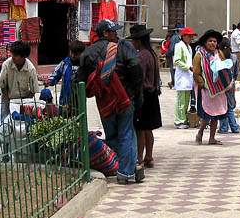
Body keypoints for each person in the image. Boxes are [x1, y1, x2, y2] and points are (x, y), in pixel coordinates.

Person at [77, 19, 144, 185]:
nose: (116, 34)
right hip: (124, 98)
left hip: (104, 102)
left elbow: (80, 80)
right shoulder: (123, 47)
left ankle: (122, 166)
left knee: (112, 135)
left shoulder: (88, 52)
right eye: (113, 31)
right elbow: (136, 68)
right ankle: (127, 171)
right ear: (105, 33)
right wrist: (134, 92)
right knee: (127, 133)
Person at [128, 24, 162, 168]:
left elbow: (138, 77)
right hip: (152, 93)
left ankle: (139, 158)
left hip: (144, 95)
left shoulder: (141, 56)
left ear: (139, 40)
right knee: (148, 129)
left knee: (140, 128)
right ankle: (149, 156)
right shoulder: (152, 54)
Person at [193, 29, 231, 145]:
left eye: (214, 41)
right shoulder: (199, 55)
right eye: (210, 41)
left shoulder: (218, 53)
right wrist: (203, 84)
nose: (213, 43)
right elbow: (196, 72)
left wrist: (226, 82)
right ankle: (200, 132)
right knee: (208, 113)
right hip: (205, 89)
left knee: (216, 113)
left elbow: (224, 67)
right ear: (205, 42)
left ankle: (212, 138)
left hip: (218, 88)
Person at [0, 41, 40, 118]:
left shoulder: (31, 69)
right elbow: (3, 86)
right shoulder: (6, 65)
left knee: (23, 122)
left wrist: (24, 103)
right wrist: (10, 101)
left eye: (15, 55)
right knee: (5, 121)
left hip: (24, 98)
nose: (12, 56)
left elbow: (33, 90)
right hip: (7, 97)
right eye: (12, 54)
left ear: (23, 57)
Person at [46, 40, 85, 111]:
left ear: (81, 53)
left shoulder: (84, 65)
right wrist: (50, 81)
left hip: (79, 100)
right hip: (64, 99)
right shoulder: (64, 63)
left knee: (79, 118)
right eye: (71, 53)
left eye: (76, 54)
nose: (73, 55)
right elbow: (56, 74)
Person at [173, 26, 197, 129]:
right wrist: (188, 67)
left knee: (186, 101)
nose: (191, 38)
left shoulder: (189, 47)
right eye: (190, 36)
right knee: (181, 101)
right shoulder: (179, 46)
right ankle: (179, 120)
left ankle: (184, 118)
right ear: (184, 36)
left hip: (188, 77)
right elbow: (177, 61)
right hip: (182, 77)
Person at [218, 38, 240, 134]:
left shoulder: (219, 58)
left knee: (223, 106)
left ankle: (224, 127)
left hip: (221, 85)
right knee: (230, 106)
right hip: (231, 83)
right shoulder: (234, 57)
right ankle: (234, 127)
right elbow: (236, 73)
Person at [164, 23, 182, 89]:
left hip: (175, 56)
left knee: (175, 70)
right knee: (173, 70)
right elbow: (171, 48)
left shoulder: (177, 37)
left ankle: (174, 83)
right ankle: (174, 83)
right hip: (173, 56)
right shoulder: (175, 37)